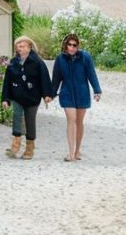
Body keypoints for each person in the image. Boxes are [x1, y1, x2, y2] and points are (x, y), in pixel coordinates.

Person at [51, 33, 102, 162]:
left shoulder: (85, 57)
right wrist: (51, 94)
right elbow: (56, 78)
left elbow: (92, 74)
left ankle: (77, 150)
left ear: (78, 46)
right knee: (71, 120)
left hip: (82, 93)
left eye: (75, 45)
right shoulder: (60, 59)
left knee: (79, 122)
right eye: (70, 45)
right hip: (67, 93)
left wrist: (97, 90)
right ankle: (70, 153)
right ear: (65, 45)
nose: (72, 47)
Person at [1, 36, 54, 159]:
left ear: (29, 47)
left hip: (32, 97)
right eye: (18, 46)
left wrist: (47, 95)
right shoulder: (13, 63)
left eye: (23, 46)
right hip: (17, 96)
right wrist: (5, 99)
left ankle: (30, 147)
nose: (20, 48)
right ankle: (16, 143)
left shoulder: (38, 62)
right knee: (17, 116)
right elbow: (7, 82)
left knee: (30, 120)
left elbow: (44, 78)